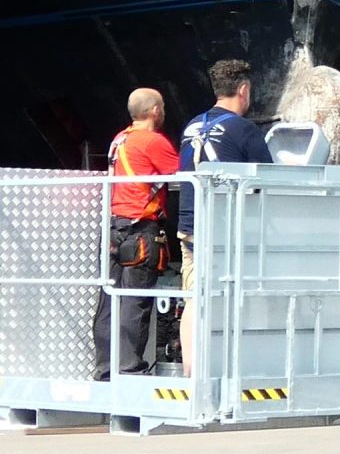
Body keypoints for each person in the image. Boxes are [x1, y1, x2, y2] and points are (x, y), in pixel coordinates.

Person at [177, 59, 274, 372]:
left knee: (194, 297)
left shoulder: (192, 125)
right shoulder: (244, 130)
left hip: (191, 227)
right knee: (238, 298)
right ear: (243, 90)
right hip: (226, 230)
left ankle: (191, 371)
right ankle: (239, 369)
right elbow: (269, 180)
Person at [94, 87, 179, 377]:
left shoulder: (119, 140)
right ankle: (130, 367)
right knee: (136, 300)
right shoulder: (153, 141)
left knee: (109, 298)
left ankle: (105, 367)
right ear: (155, 110)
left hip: (115, 227)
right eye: (163, 107)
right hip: (141, 230)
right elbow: (181, 175)